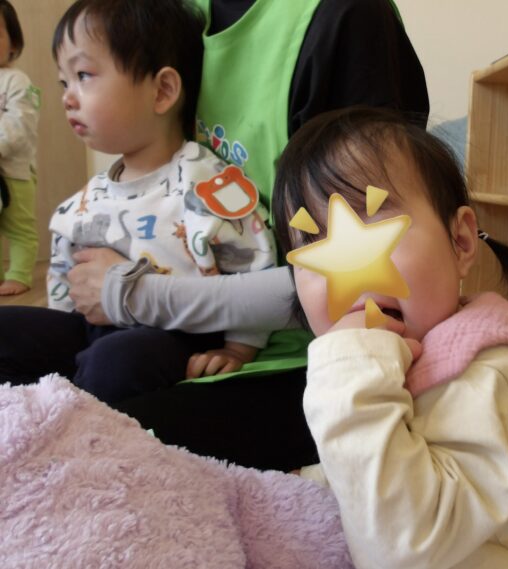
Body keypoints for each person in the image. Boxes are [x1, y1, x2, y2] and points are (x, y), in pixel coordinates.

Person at [272, 105, 508, 568]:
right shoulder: (401, 355)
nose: (344, 263)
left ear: (461, 243)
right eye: (310, 240)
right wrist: (321, 482)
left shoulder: (485, 379)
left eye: (372, 215)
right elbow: (389, 455)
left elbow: (405, 550)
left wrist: (346, 374)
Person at [62, 0, 429, 471]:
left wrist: (136, 295)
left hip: (298, 356)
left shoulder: (343, 18)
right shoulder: (176, 16)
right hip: (174, 327)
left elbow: (363, 279)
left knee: (95, 437)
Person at [0, 0, 279, 405]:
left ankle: (74, 416)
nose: (67, 98)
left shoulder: (208, 183)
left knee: (116, 361)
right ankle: (42, 407)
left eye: (83, 75)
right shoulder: (83, 201)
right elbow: (66, 286)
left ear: (162, 91)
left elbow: (255, 266)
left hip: (176, 337)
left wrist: (238, 349)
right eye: (64, 82)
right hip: (92, 330)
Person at [0, 0, 39, 296]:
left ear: (13, 43)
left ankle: (20, 274)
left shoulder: (16, 81)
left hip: (14, 171)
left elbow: (19, 124)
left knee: (19, 226)